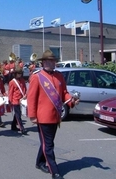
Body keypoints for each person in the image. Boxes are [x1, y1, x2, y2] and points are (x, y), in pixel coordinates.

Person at [27, 50, 79, 179]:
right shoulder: (37, 76)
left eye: (54, 60)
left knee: (46, 143)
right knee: (49, 144)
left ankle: (39, 163)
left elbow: (64, 93)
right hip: (43, 117)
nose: (53, 63)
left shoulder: (59, 76)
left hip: (56, 115)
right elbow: (31, 98)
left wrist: (71, 101)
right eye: (50, 61)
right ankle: (54, 171)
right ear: (44, 62)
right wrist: (32, 115)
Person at [8, 67, 28, 135]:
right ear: (15, 74)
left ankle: (13, 126)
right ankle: (22, 128)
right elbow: (10, 93)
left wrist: (25, 96)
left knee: (17, 114)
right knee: (18, 115)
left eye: (20, 73)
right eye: (18, 74)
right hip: (15, 100)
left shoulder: (22, 80)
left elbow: (25, 88)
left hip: (22, 99)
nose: (19, 75)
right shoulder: (12, 82)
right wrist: (10, 101)